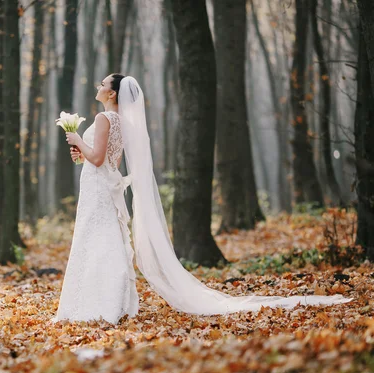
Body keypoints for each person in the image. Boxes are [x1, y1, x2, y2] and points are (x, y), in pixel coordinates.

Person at [53, 74, 351, 324]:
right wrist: (82, 155)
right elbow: (104, 161)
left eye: (102, 83)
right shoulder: (120, 121)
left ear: (112, 93)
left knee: (98, 240)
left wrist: (78, 139)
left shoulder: (103, 117)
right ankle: (109, 300)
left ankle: (98, 302)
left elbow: (99, 157)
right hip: (103, 185)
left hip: (99, 188)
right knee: (105, 239)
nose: (98, 86)